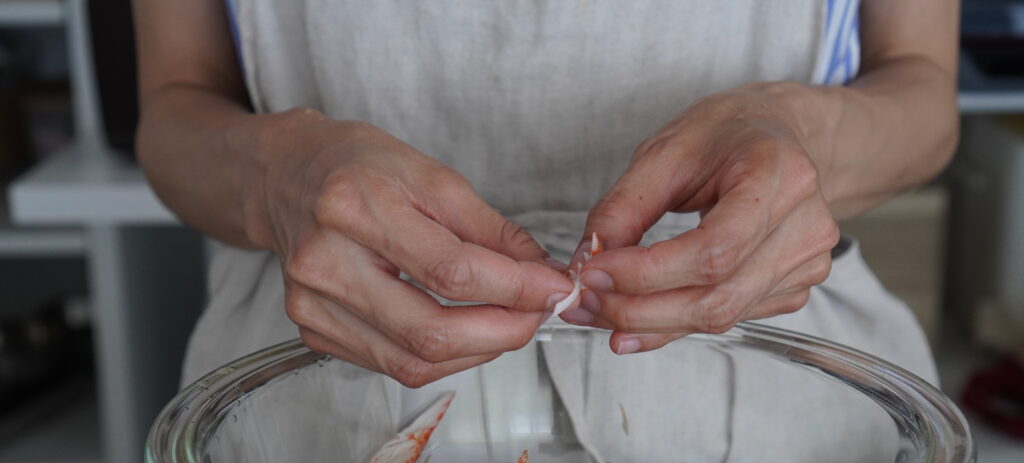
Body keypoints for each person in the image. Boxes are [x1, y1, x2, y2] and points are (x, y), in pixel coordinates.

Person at [133, 1, 957, 395]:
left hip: (783, 425)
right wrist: (280, 174)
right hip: (314, 432)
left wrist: (801, 136)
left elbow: (924, 99)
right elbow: (176, 106)